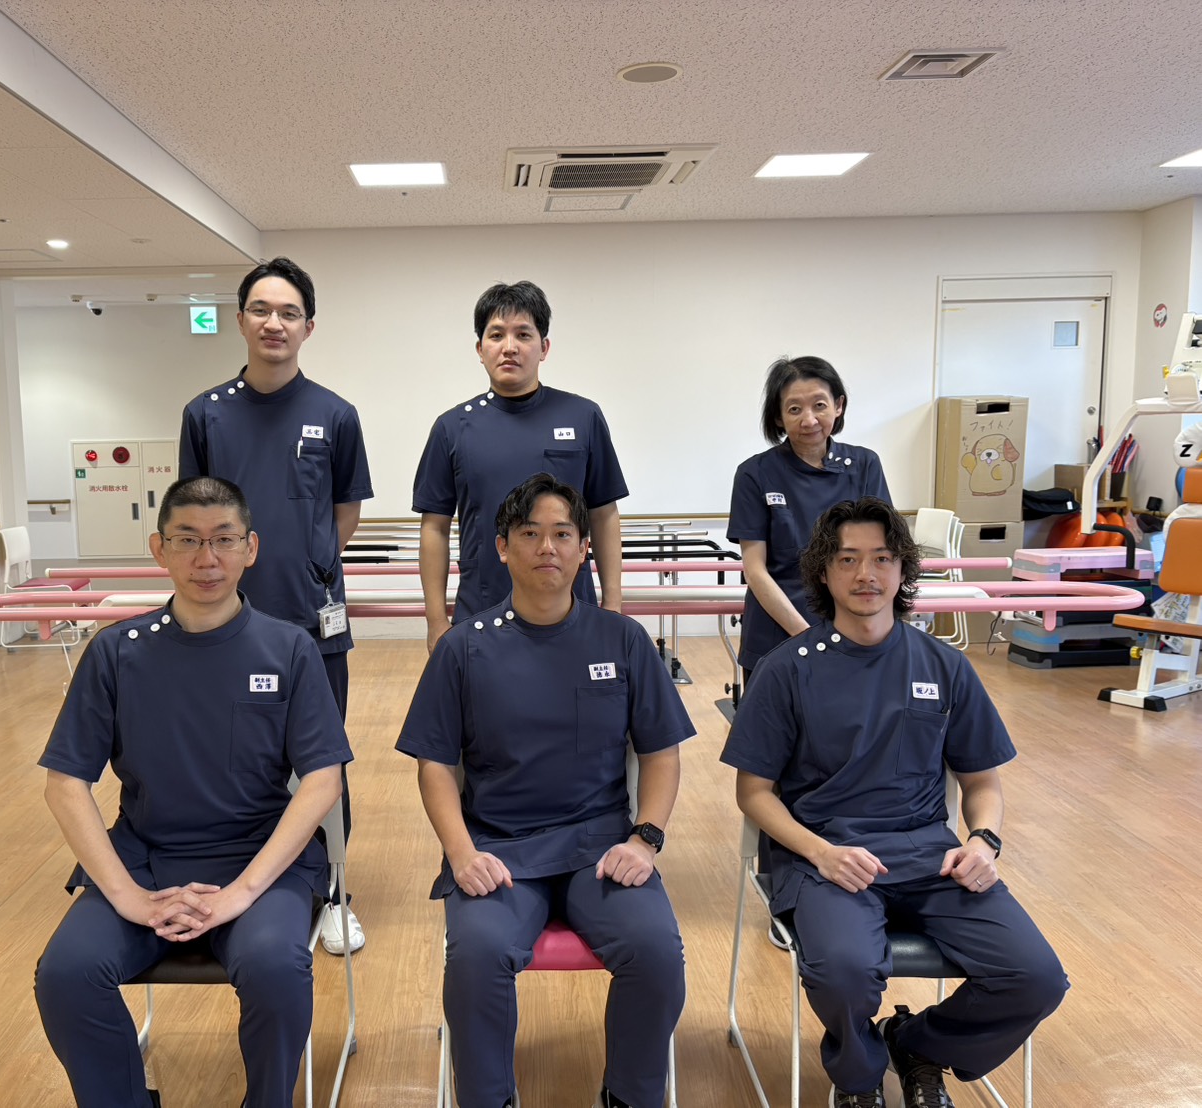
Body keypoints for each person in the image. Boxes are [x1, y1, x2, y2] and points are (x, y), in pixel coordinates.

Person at [719, 497, 1067, 1108]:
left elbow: (982, 783)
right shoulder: (787, 670)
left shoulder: (943, 665)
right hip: (827, 862)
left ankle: (917, 1045)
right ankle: (857, 1080)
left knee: (1035, 977)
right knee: (844, 973)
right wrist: (821, 853)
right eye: (847, 559)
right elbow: (754, 793)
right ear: (824, 572)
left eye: (882, 558)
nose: (866, 574)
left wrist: (983, 841)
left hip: (932, 859)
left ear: (903, 569)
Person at [34, 476, 352, 1108]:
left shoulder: (288, 648)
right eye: (188, 540)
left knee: (275, 968)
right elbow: (65, 784)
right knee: (67, 973)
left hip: (259, 865)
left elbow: (323, 780)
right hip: (146, 861)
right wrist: (129, 898)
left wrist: (243, 892)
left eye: (224, 540)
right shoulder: (116, 653)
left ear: (250, 549)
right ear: (160, 549)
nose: (208, 559)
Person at [397, 473, 693, 1108]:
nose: (547, 548)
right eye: (530, 534)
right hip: (499, 850)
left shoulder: (622, 639)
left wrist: (645, 839)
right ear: (502, 547)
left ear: (585, 548)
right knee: (476, 958)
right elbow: (434, 765)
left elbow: (660, 753)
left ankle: (630, 1096)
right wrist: (461, 854)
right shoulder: (464, 648)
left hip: (601, 848)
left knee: (656, 953)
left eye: (562, 534)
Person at [178, 256, 371, 955]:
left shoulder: (334, 415)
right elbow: (194, 517)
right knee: (230, 758)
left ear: (308, 327)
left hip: (313, 625)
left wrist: (312, 565)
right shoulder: (206, 413)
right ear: (239, 320)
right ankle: (243, 883)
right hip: (223, 627)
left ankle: (335, 892)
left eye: (289, 312)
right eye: (261, 309)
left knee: (324, 765)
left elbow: (344, 512)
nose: (274, 323)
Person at [413, 280, 628, 653]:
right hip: (481, 614)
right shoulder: (453, 428)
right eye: (496, 335)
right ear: (480, 349)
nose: (509, 347)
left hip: (572, 613)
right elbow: (435, 527)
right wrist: (436, 620)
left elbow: (604, 513)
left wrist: (612, 604)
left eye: (523, 334)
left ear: (544, 348)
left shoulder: (583, 416)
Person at [728, 355, 889, 679]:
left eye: (819, 405)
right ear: (778, 416)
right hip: (776, 634)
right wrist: (807, 637)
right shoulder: (755, 473)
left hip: (855, 634)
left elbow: (883, 556)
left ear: (838, 406)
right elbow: (755, 570)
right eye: (794, 409)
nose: (809, 420)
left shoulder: (865, 466)